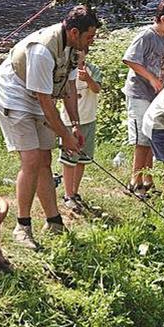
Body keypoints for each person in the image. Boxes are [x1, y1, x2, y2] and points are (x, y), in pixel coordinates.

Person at [0, 5, 100, 249]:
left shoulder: (73, 49)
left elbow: (69, 89)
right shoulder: (42, 51)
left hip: (38, 97)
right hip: (14, 97)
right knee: (31, 160)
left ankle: (54, 221)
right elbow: (44, 100)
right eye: (89, 36)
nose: (92, 41)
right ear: (74, 32)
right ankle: (23, 227)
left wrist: (74, 126)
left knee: (45, 159)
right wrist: (64, 136)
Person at [122, 0, 164, 198]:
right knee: (141, 139)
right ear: (163, 19)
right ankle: (135, 181)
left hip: (156, 98)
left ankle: (147, 179)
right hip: (139, 94)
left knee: (150, 136)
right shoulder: (146, 36)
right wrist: (151, 79)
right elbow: (129, 59)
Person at [59, 51, 102, 212]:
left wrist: (88, 79)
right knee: (69, 160)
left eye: (80, 53)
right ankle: (68, 195)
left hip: (89, 120)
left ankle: (75, 192)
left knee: (82, 159)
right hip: (69, 122)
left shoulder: (93, 69)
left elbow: (97, 89)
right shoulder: (64, 71)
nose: (77, 55)